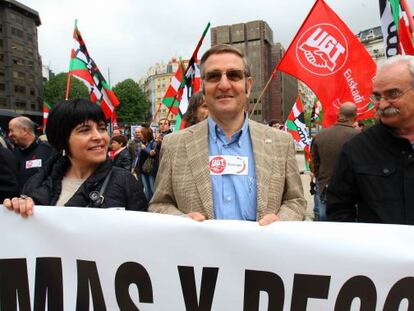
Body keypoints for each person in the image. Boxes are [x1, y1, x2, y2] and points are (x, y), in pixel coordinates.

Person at [149, 44, 306, 224]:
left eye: (233, 75)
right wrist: (181, 221)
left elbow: (296, 201)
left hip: (261, 251)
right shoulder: (173, 145)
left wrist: (280, 222)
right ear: (203, 86)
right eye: (214, 76)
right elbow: (159, 204)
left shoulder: (281, 142)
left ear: (248, 86)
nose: (224, 84)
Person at [3, 99, 147, 216]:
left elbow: (142, 238)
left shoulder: (125, 181)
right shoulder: (36, 183)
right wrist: (18, 209)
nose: (98, 136)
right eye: (84, 130)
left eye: (102, 128)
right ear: (62, 139)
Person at [327, 55, 414, 224]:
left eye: (392, 94)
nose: (381, 105)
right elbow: (339, 211)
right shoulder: (356, 149)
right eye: (377, 96)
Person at [310, 102, 359, 220]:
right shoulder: (359, 136)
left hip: (325, 187)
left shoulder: (320, 135)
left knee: (326, 226)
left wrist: (319, 178)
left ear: (338, 115)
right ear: (355, 117)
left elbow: (314, 164)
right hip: (351, 191)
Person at [8, 116, 55, 186]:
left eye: (11, 130)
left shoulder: (48, 150)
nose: (9, 134)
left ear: (24, 131)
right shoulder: (14, 152)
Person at [137, 126, 158, 201]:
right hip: (142, 169)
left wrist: (144, 148)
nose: (140, 135)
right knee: (146, 188)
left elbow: (152, 153)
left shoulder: (153, 143)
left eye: (142, 133)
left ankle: (153, 203)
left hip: (150, 169)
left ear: (146, 134)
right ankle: (147, 204)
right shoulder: (142, 143)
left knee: (152, 188)